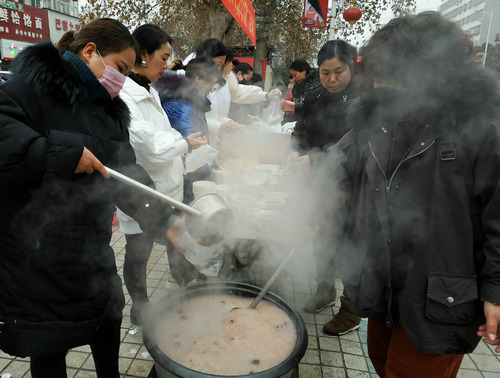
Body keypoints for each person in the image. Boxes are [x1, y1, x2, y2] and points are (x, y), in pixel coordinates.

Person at [313, 11, 500, 377]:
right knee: (384, 367)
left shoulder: (479, 126)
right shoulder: (378, 118)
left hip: (442, 295)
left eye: (398, 73)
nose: (387, 86)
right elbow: (337, 166)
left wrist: (495, 288)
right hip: (384, 286)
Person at [0, 18, 177, 378]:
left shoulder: (109, 112)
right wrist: (60, 153)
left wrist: (167, 221)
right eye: (120, 68)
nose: (122, 79)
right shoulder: (32, 86)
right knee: (50, 349)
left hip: (92, 252)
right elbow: (7, 142)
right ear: (90, 51)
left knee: (107, 321)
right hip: (39, 256)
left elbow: (126, 175)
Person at [115, 24, 207, 325]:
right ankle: (140, 308)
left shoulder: (149, 89)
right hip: (142, 192)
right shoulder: (124, 96)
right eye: (163, 58)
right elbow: (150, 147)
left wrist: (183, 145)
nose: (167, 66)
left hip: (167, 185)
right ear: (142, 54)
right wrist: (184, 143)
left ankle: (186, 292)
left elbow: (162, 133)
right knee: (137, 253)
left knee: (175, 242)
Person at [289, 40, 361, 336]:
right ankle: (324, 289)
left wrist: (315, 161)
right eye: (325, 72)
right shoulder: (316, 96)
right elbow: (300, 132)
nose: (332, 80)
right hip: (318, 185)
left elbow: (360, 150)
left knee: (352, 248)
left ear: (352, 66)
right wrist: (295, 152)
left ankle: (352, 309)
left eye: (339, 72)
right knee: (322, 239)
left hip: (354, 188)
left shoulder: (365, 101)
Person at [154, 56, 221, 204]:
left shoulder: (189, 101)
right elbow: (191, 155)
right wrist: (212, 176)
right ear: (198, 79)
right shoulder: (182, 106)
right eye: (211, 84)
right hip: (184, 183)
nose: (211, 90)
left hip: (186, 180)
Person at [281, 58, 321, 124]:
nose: (293, 79)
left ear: (304, 72)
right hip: (297, 126)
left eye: (295, 75)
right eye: (292, 76)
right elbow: (292, 108)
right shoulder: (297, 86)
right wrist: (285, 122)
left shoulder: (316, 86)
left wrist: (295, 106)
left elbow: (314, 108)